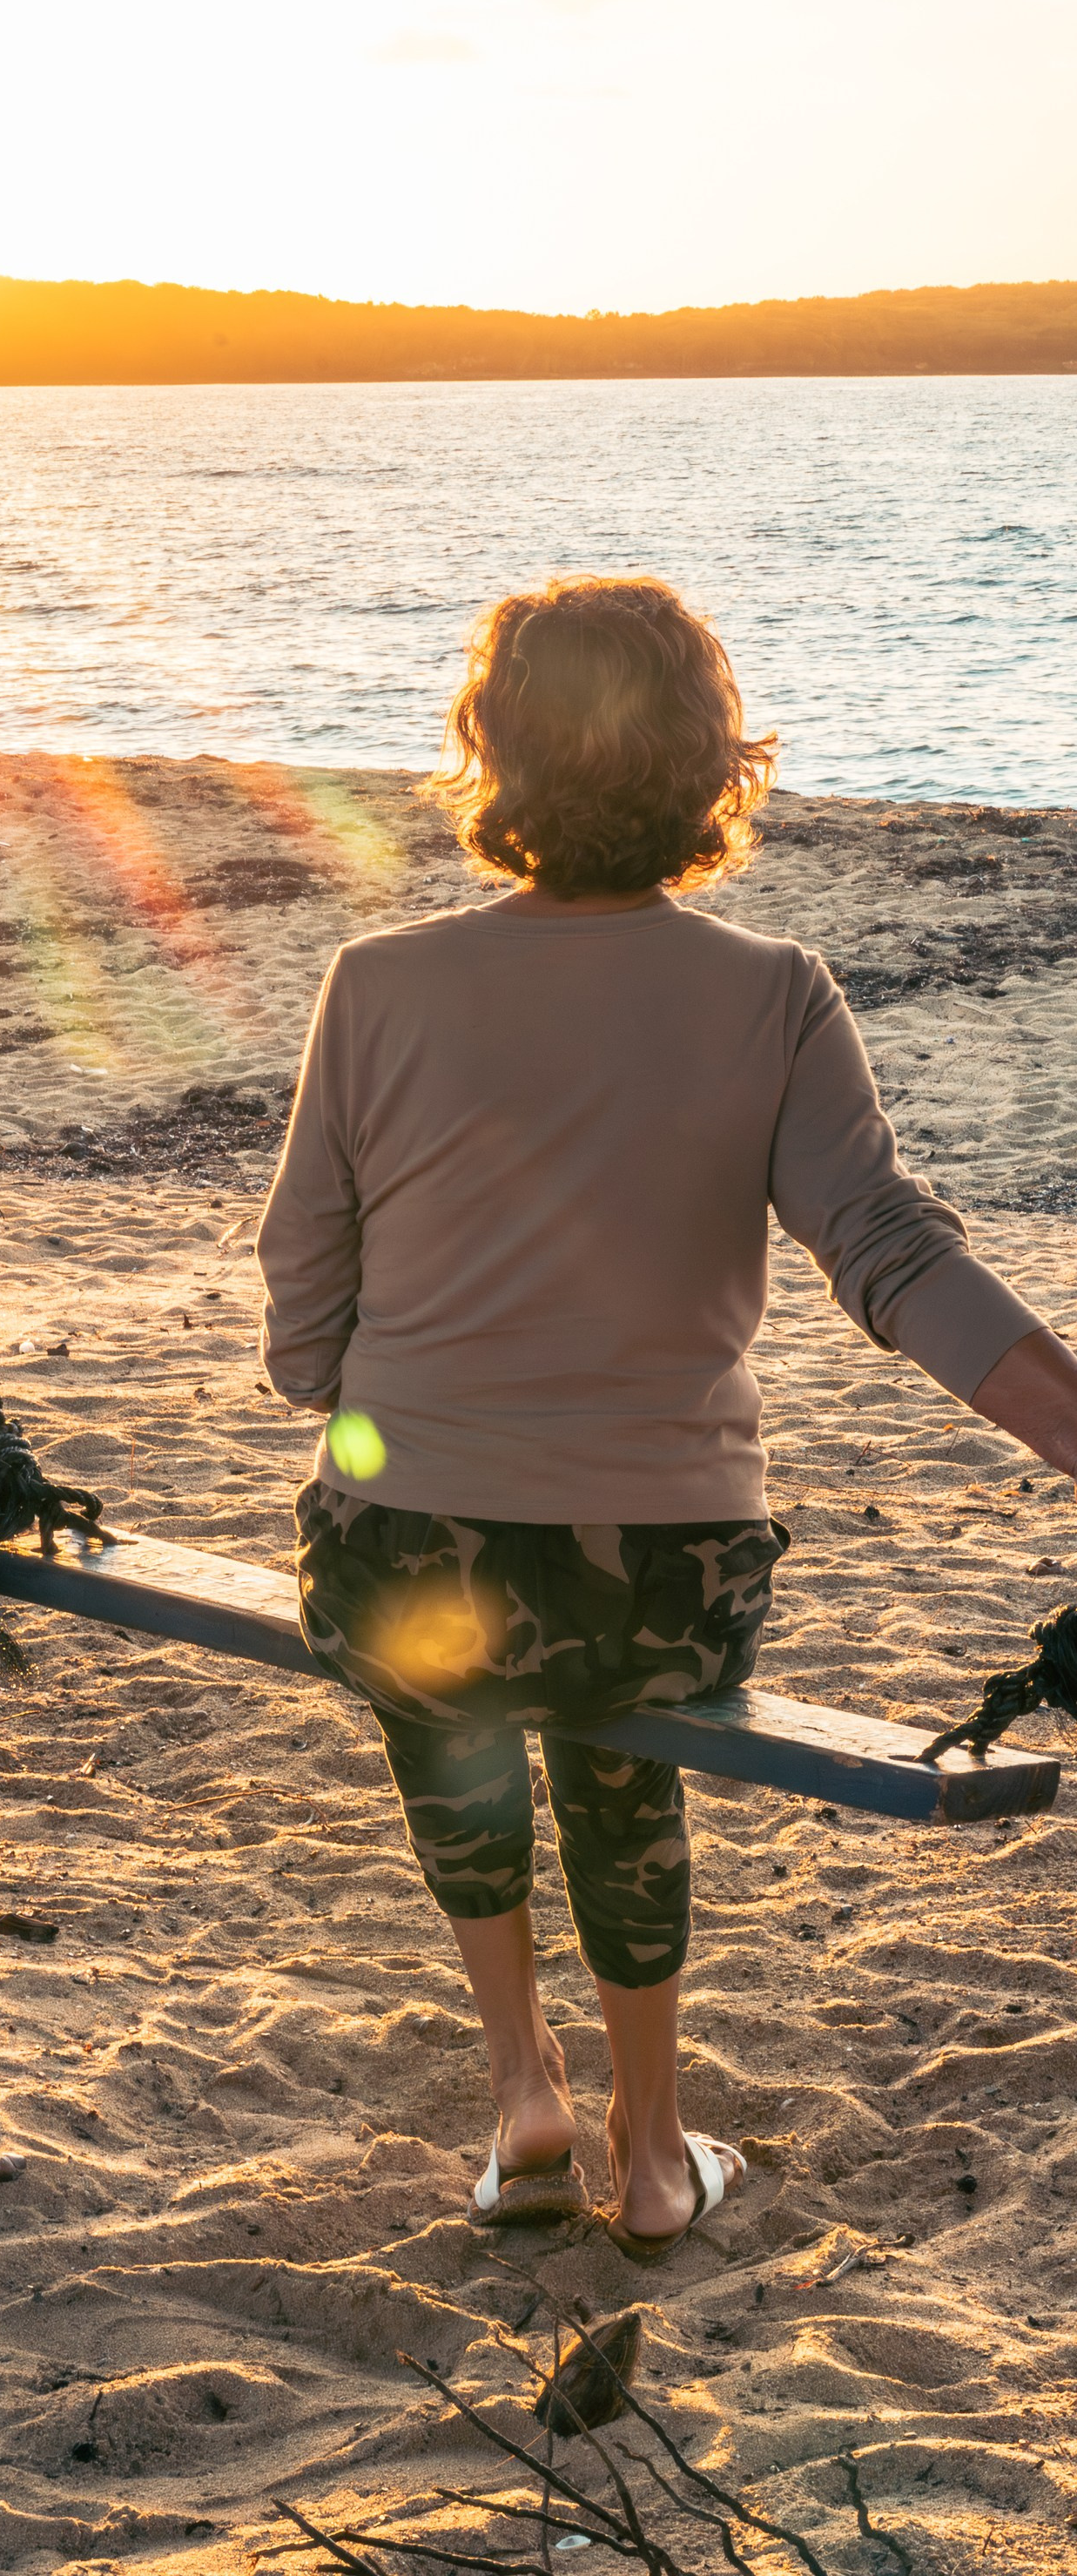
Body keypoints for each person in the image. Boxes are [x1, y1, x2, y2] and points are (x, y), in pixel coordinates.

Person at [257, 574, 1077, 2256]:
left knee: (447, 1705)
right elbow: (890, 1252)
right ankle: (651, 2145)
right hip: (664, 1575)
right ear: (712, 763)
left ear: (492, 751)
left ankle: (525, 2096)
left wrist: (354, 1390)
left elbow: (301, 1293)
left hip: (410, 1538)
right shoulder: (771, 992)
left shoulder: (379, 983)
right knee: (618, 1758)